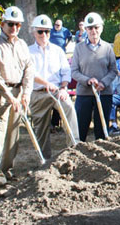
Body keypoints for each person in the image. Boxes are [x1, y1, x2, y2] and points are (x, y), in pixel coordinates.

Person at [0, 6, 34, 185]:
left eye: (18, 25)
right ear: (2, 24)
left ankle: (7, 170)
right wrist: (9, 96)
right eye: (11, 24)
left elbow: (29, 69)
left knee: (13, 134)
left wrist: (25, 93)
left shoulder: (22, 45)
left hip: (17, 92)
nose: (14, 28)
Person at [28, 15, 80, 159]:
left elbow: (65, 71)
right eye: (40, 32)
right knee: (40, 128)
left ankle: (75, 150)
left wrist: (63, 88)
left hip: (57, 91)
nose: (44, 35)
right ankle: (44, 160)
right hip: (38, 93)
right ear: (34, 32)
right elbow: (30, 73)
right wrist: (46, 84)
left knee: (69, 109)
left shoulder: (58, 51)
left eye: (47, 31)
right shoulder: (28, 52)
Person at [71, 12, 118, 141]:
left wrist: (103, 83)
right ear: (85, 29)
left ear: (101, 28)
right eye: (90, 28)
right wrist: (87, 80)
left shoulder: (108, 48)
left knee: (101, 131)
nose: (93, 31)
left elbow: (113, 70)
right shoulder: (79, 48)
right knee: (81, 129)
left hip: (104, 94)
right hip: (84, 94)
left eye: (96, 27)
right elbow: (74, 71)